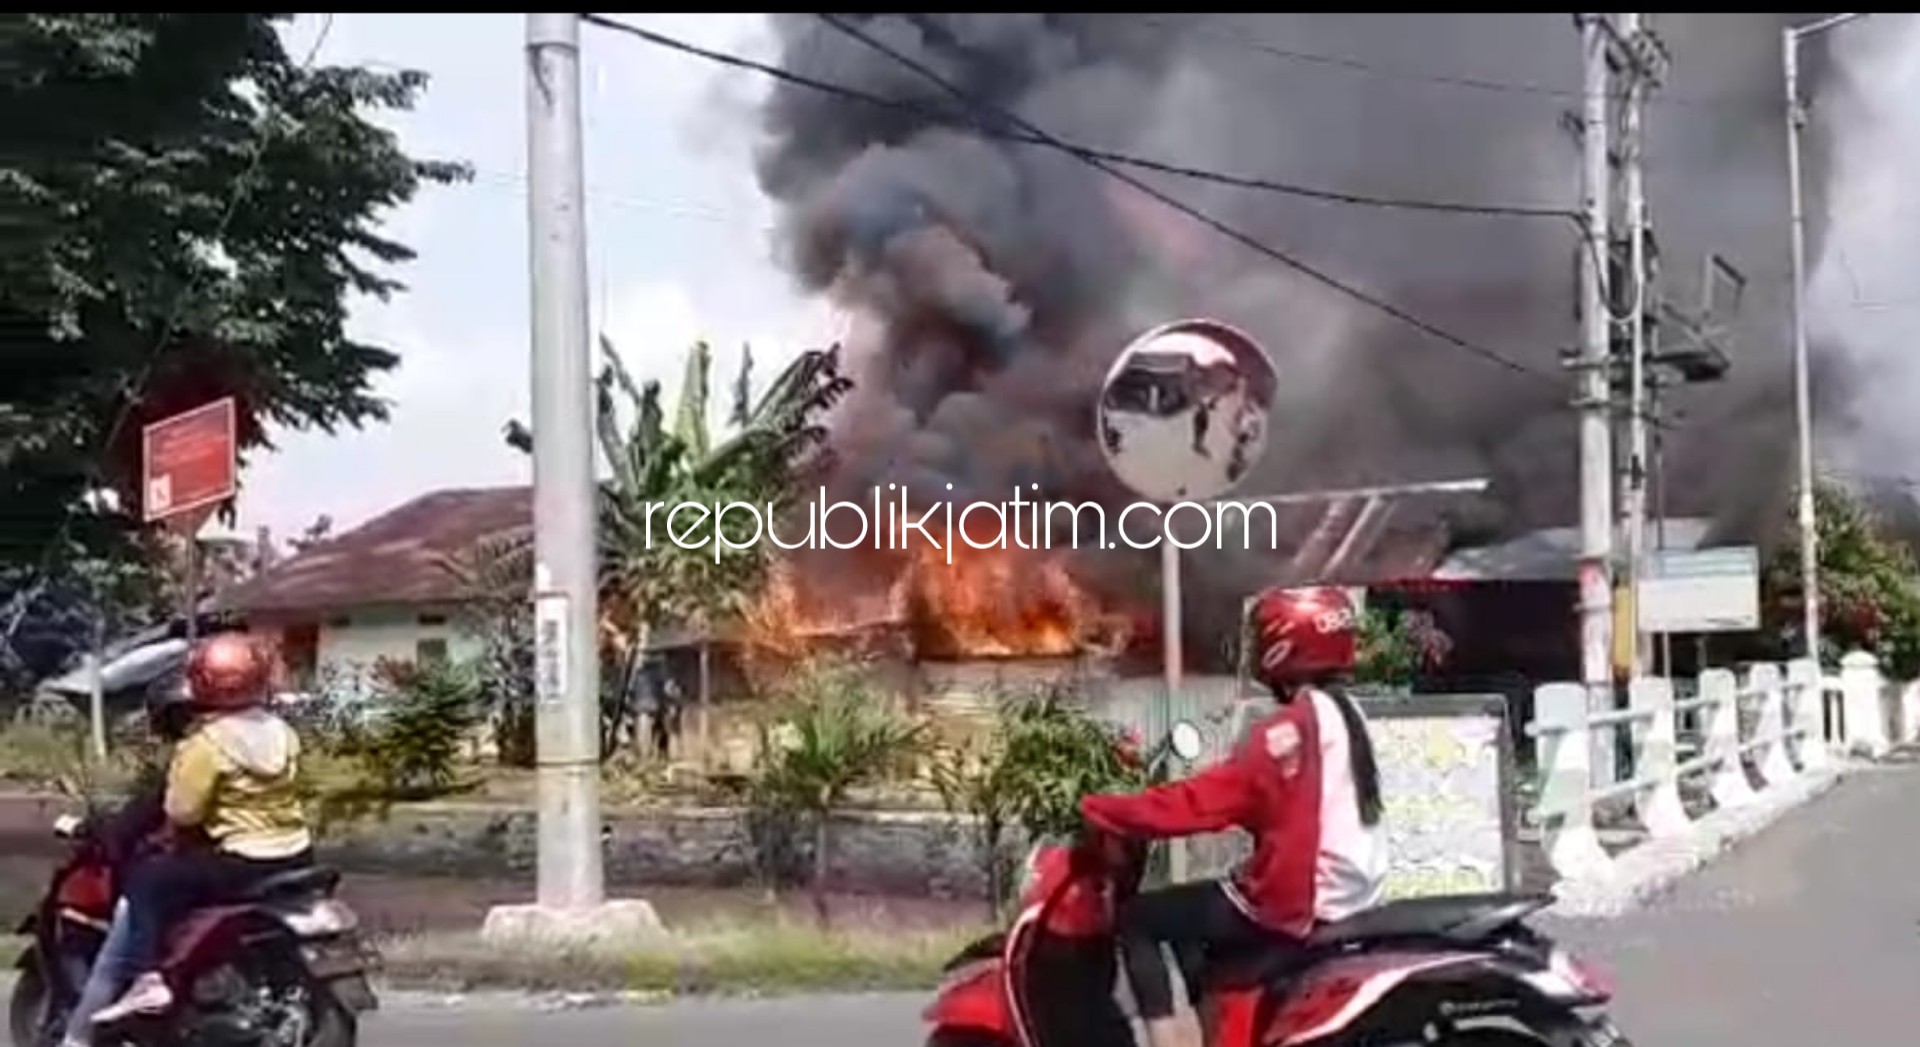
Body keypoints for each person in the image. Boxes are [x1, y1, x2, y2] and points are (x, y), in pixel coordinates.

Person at [1077, 586, 1387, 1047]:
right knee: (1192, 920)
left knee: (1139, 919)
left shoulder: (1292, 727)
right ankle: (1215, 1029)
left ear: (1286, 644)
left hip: (1297, 901)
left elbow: (1207, 801)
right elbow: (1282, 804)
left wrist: (1103, 807)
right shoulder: (1348, 713)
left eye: (1263, 638)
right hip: (1353, 891)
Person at [89, 634, 315, 1025]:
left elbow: (184, 813)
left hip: (243, 860)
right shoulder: (282, 733)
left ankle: (147, 978)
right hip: (295, 853)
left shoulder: (205, 743)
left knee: (148, 880)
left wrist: (166, 837)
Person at [55, 684, 196, 1047]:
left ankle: (77, 1038)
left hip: (192, 869)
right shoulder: (257, 744)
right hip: (257, 860)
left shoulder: (195, 757)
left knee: (116, 954)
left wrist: (103, 831)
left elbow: (150, 814)